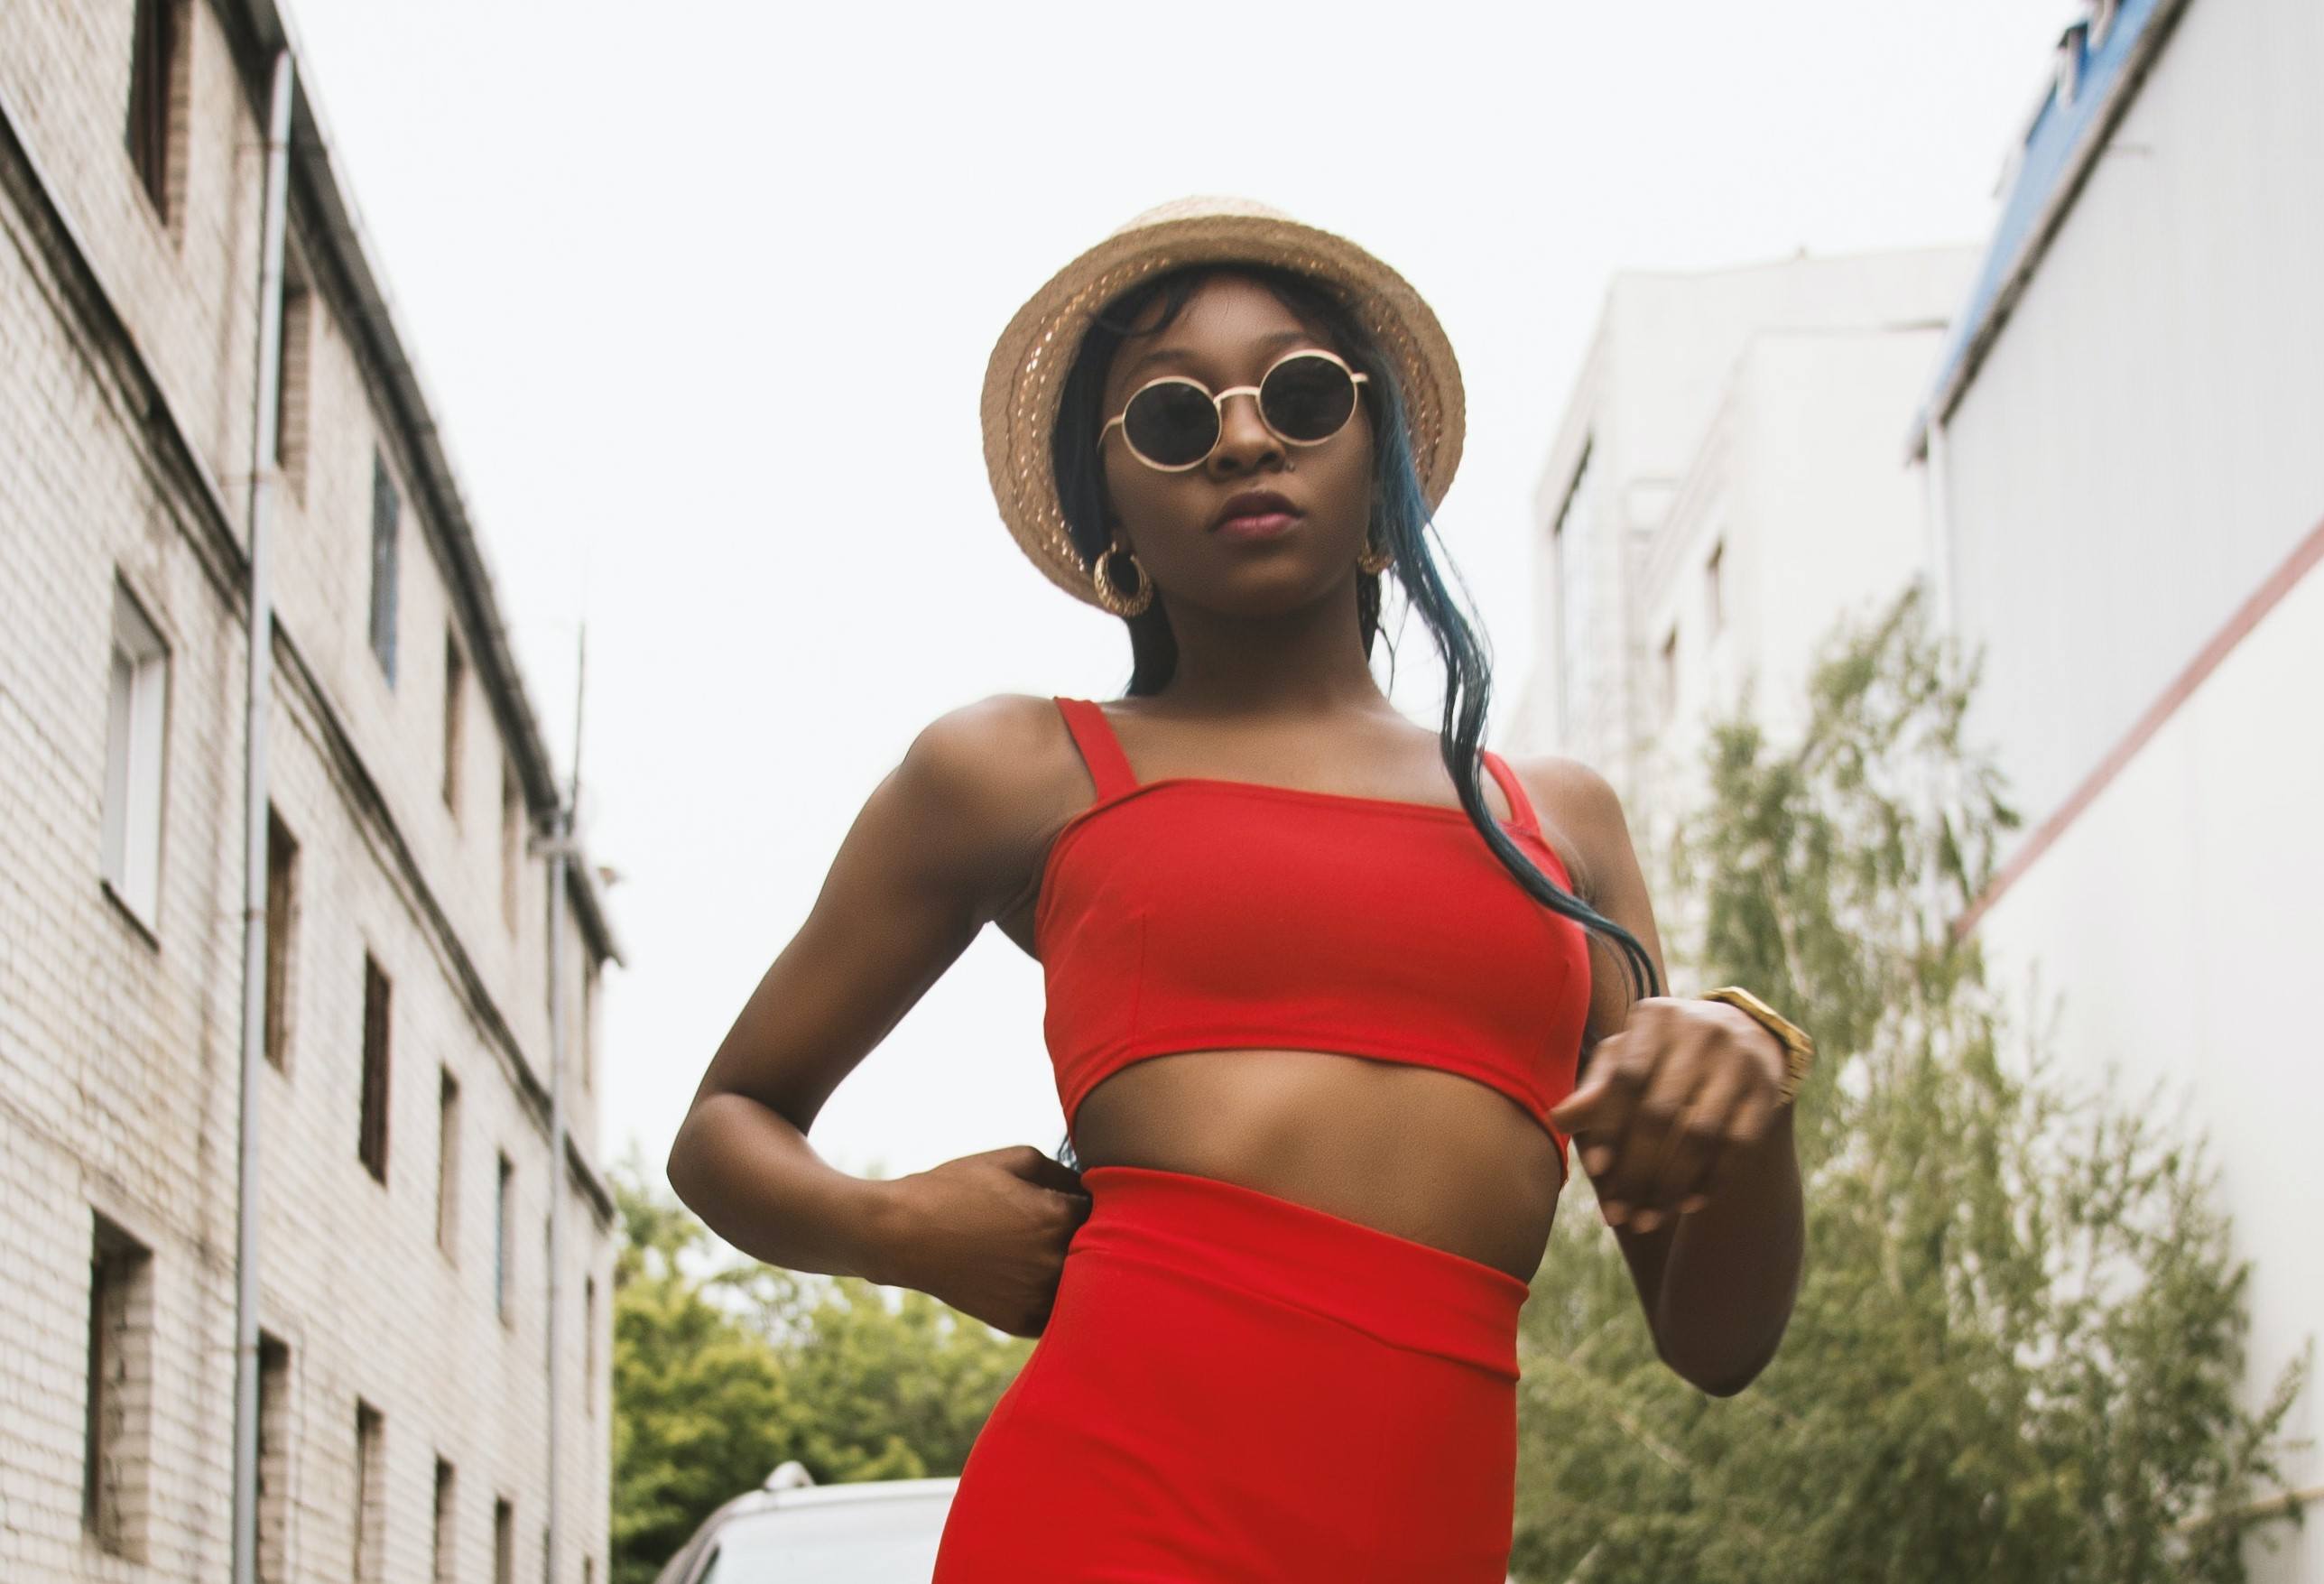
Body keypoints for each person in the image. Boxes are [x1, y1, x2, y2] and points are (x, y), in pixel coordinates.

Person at [667, 197, 1812, 1582]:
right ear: (1117, 529)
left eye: (1304, 392)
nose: (1245, 434)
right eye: (1169, 416)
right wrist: (901, 1228)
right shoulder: (1018, 769)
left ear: (1376, 464)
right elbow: (724, 1128)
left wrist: (1751, 1088)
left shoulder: (1554, 824)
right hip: (1102, 1528)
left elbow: (1713, 1341)